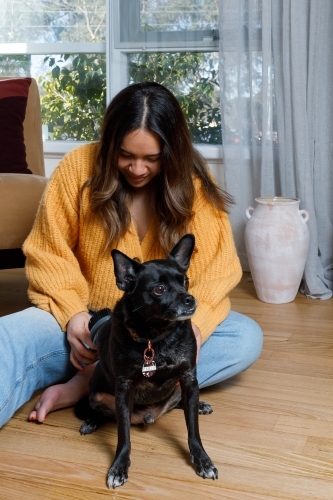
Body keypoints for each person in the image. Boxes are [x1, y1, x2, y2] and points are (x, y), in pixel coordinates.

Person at [0, 82, 263, 428]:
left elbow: (218, 268)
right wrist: (72, 314)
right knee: (8, 338)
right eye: (126, 155)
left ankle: (99, 385)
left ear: (171, 152)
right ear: (110, 145)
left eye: (152, 159)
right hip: (86, 328)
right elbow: (49, 251)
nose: (138, 169)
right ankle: (110, 378)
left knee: (244, 337)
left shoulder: (194, 183)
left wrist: (196, 328)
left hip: (159, 332)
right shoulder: (78, 167)